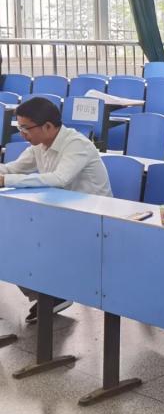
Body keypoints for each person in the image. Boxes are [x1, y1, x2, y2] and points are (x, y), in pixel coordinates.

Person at [0, 96, 112, 322]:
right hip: (59, 211)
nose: (22, 133)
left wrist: (5, 180)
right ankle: (48, 295)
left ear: (48, 126)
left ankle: (55, 292)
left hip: (92, 219)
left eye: (26, 128)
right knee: (8, 239)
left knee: (19, 241)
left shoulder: (76, 144)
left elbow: (59, 179)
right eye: (19, 128)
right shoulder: (39, 145)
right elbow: (13, 168)